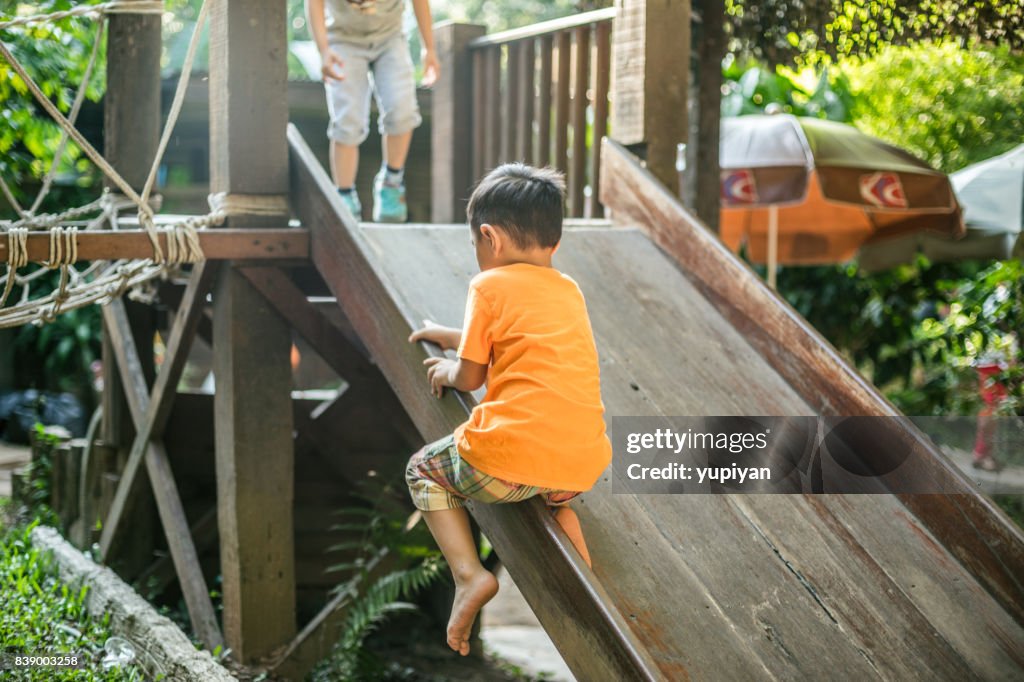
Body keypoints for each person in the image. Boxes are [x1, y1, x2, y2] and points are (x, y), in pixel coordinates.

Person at [405, 164, 612, 656]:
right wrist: (456, 336)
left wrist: (447, 368)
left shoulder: (488, 286)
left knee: (421, 471)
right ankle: (586, 592)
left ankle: (469, 576)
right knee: (550, 493)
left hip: (506, 462)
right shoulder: (569, 291)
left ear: (488, 237)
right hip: (580, 466)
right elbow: (517, 340)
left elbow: (471, 376)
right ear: (553, 244)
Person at [305, 0, 439, 222]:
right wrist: (324, 51)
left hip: (390, 38)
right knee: (347, 119)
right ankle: (344, 195)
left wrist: (429, 48)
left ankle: (392, 181)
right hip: (342, 39)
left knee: (402, 109)